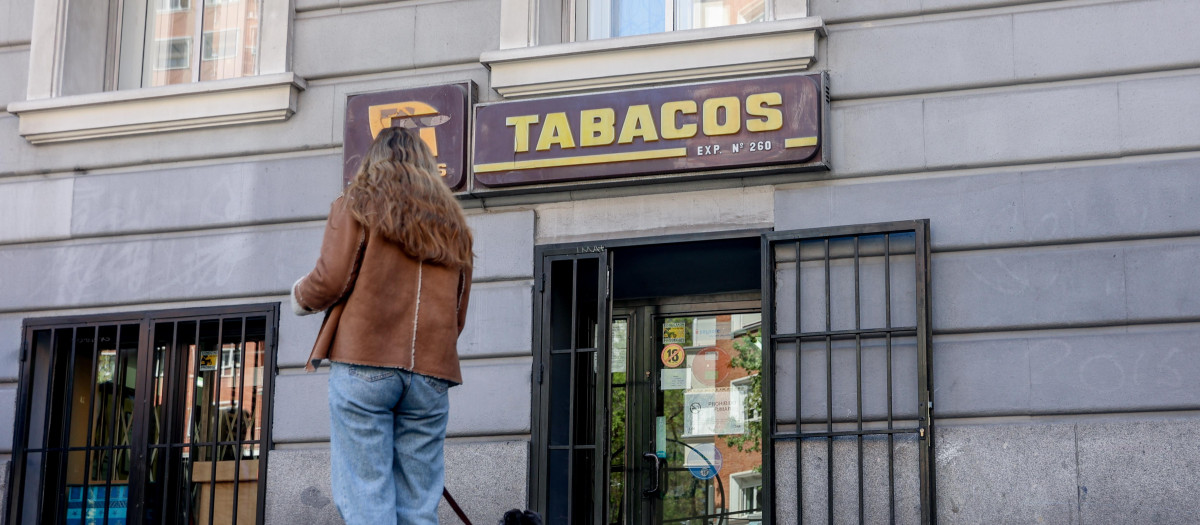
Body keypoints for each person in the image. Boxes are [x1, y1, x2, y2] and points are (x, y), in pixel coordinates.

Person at [291, 127, 473, 525]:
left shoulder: (356, 203)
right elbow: (457, 312)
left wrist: (299, 297)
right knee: (419, 506)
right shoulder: (453, 224)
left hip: (364, 362)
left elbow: (330, 279)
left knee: (366, 497)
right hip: (430, 373)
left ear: (373, 161)